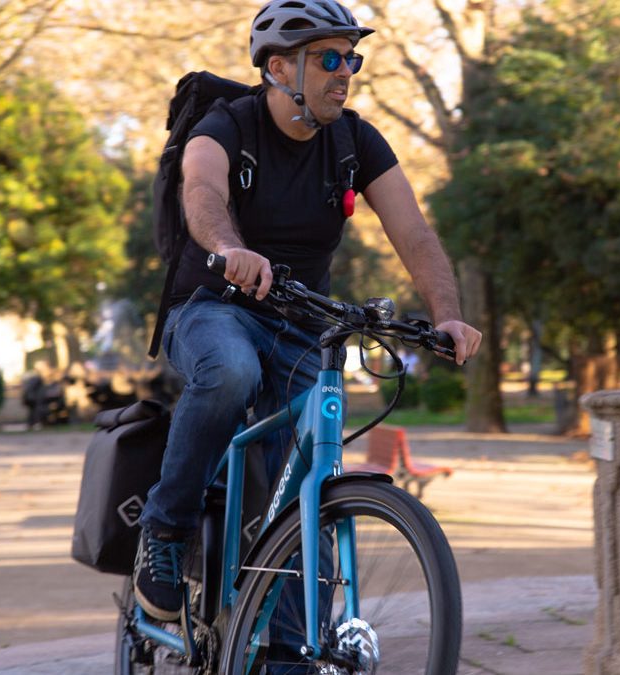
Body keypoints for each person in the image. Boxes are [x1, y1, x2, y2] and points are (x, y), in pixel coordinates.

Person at [134, 0, 482, 629]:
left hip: (300, 324)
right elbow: (203, 191)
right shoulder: (226, 126)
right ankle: (164, 531)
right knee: (232, 372)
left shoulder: (355, 139)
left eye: (351, 57)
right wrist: (230, 248)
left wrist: (448, 315)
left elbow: (414, 233)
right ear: (277, 67)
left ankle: (295, 653)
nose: (344, 71)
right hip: (212, 307)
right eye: (328, 58)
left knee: (308, 488)